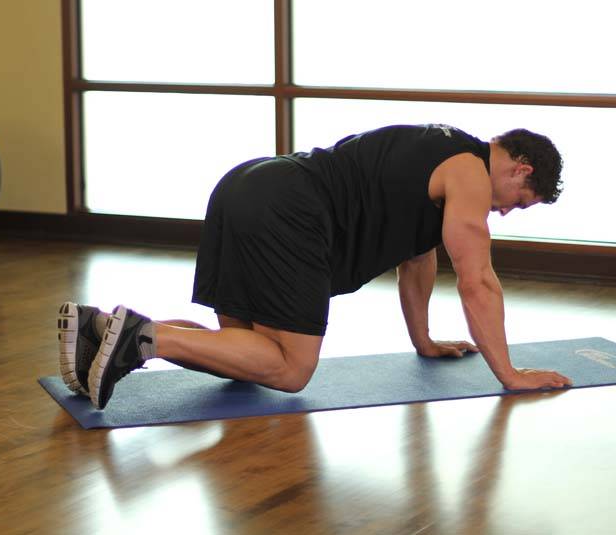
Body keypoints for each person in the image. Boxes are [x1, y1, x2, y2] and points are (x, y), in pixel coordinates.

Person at [56, 123, 573, 410]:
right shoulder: (471, 172)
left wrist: (425, 341)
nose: (502, 210)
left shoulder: (441, 150)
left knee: (247, 360)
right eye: (517, 201)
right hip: (290, 207)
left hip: (247, 185)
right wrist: (509, 374)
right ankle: (144, 340)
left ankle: (102, 328)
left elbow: (417, 259)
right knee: (291, 368)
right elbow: (478, 281)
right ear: (519, 168)